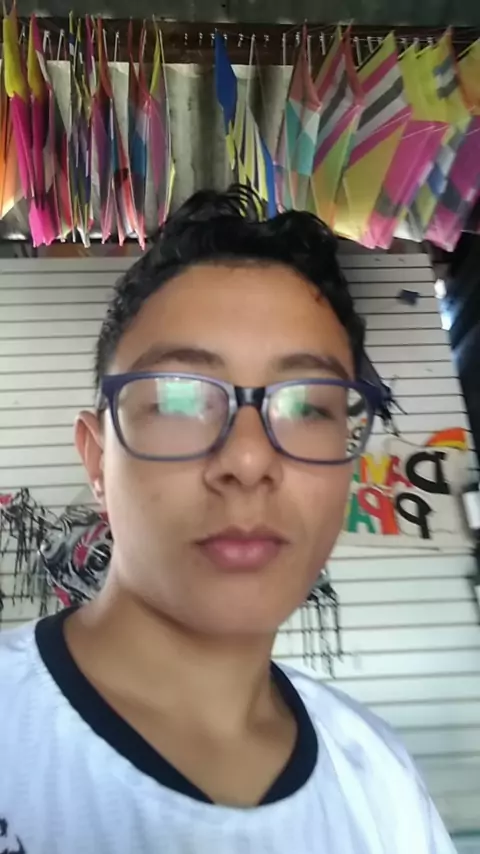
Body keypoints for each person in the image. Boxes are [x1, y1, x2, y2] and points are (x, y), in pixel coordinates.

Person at [0, 187, 456, 853]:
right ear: (98, 459)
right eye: (180, 398)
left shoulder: (381, 786)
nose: (248, 459)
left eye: (307, 406)